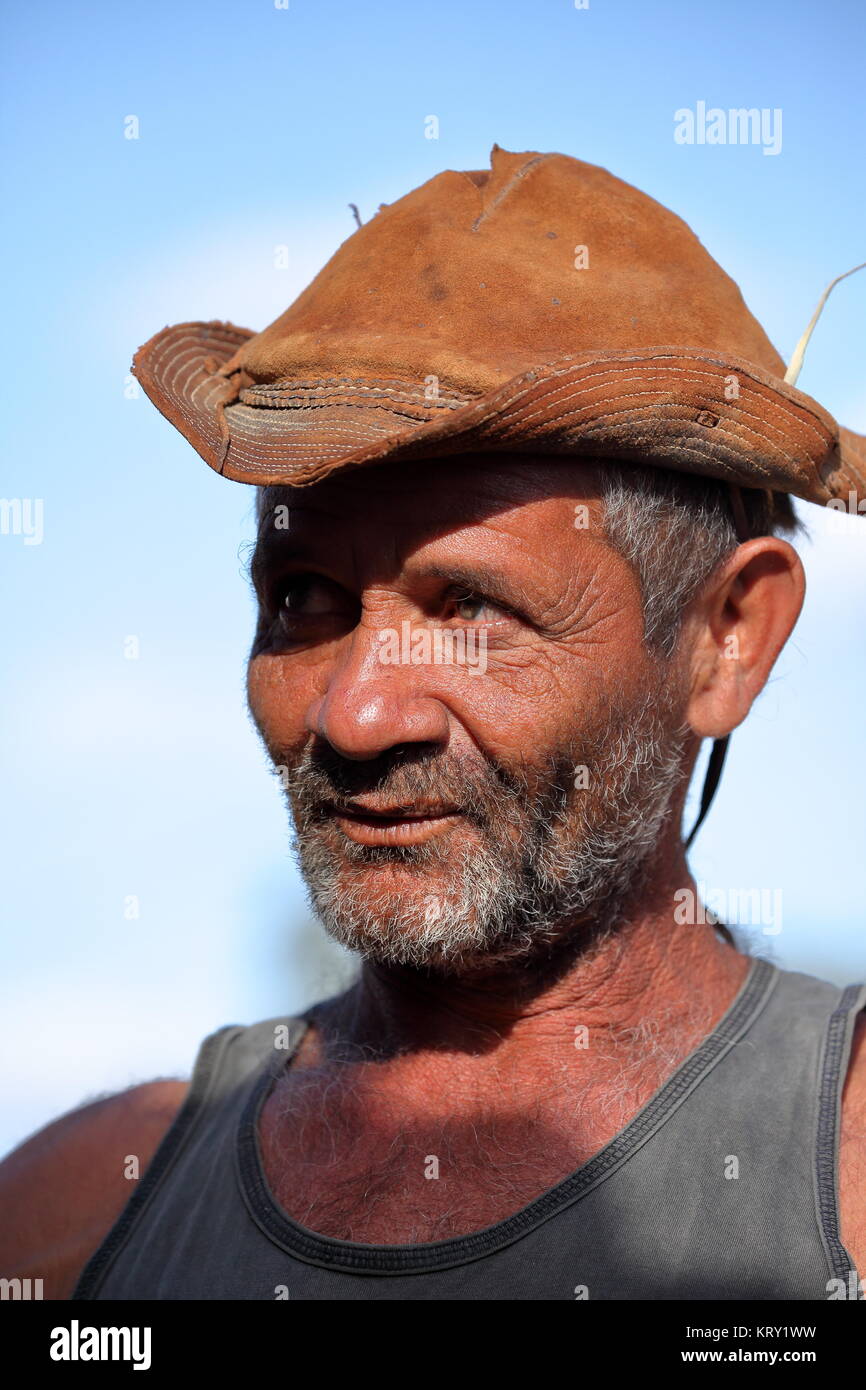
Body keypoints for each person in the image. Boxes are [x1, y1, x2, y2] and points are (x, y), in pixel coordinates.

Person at [2, 146, 864, 1301]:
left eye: (472, 610)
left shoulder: (842, 1187)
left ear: (725, 637)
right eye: (302, 595)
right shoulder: (76, 1219)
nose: (354, 715)